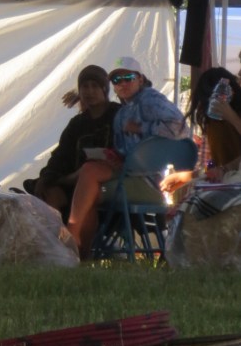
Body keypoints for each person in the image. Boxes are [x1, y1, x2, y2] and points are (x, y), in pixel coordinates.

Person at [65, 56, 189, 259]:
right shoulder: (129, 105)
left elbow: (182, 130)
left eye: (128, 78)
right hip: (130, 175)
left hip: (146, 181)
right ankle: (82, 256)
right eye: (116, 80)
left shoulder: (150, 101)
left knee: (89, 171)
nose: (122, 84)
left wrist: (141, 128)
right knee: (90, 191)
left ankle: (73, 236)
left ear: (140, 79)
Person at [26, 65, 119, 221]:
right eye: (85, 86)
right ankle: (57, 239)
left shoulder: (118, 114)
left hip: (107, 181)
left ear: (104, 89)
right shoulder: (77, 123)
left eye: (95, 86)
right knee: (49, 192)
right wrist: (46, 177)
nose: (89, 91)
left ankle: (70, 239)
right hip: (74, 181)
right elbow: (60, 154)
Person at [161, 67, 241, 196]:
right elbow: (212, 163)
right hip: (228, 183)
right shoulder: (213, 123)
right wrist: (188, 176)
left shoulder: (230, 116)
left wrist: (232, 117)